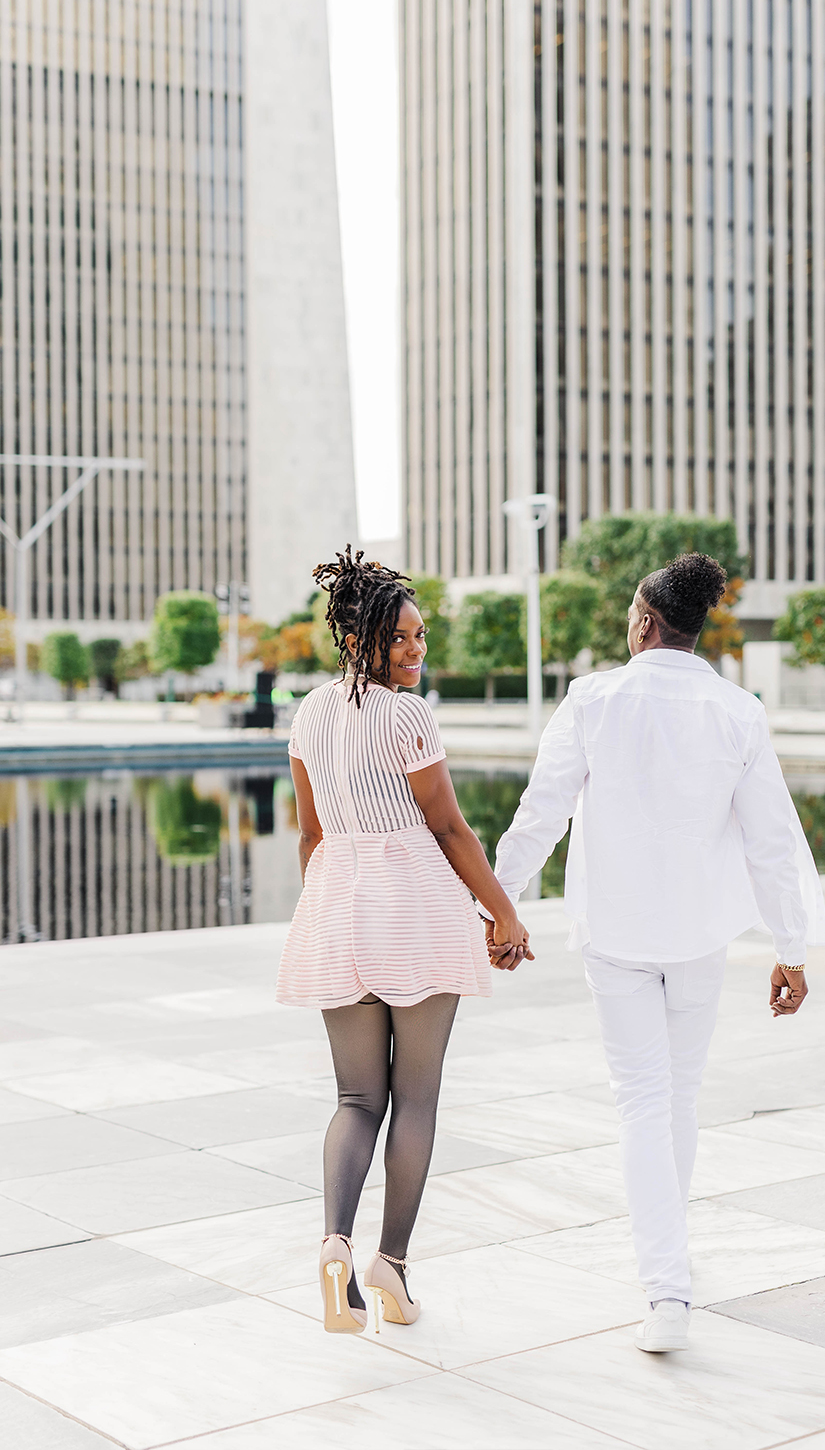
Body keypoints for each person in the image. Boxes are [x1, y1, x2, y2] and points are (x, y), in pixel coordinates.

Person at [488, 551, 825, 1354]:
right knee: (677, 1095)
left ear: (643, 621)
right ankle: (668, 1266)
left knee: (645, 1100)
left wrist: (500, 907)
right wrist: (792, 948)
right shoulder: (737, 710)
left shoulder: (591, 699)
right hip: (700, 935)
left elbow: (542, 814)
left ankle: (666, 1288)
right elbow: (774, 841)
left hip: (617, 935)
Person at [279, 547, 532, 1335]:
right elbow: (448, 827)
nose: (417, 650)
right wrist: (505, 915)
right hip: (414, 905)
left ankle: (333, 1245)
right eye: (402, 640)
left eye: (421, 636)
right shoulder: (407, 715)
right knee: (414, 1097)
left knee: (357, 1098)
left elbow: (310, 834)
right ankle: (390, 1263)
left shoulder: (309, 712)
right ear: (363, 641)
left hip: (337, 901)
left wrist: (326, 909)